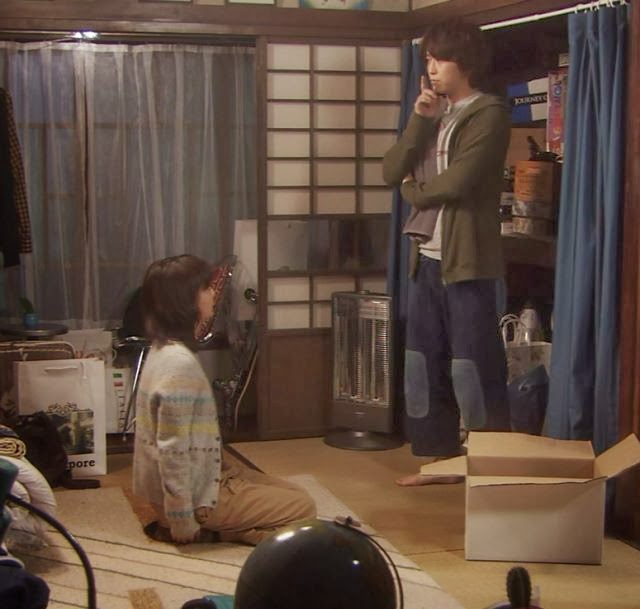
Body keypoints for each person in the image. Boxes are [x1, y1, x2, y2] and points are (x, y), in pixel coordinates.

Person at [383, 19, 511, 486]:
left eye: (440, 60)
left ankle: (488, 461)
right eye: (428, 61)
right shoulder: (436, 112)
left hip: (467, 262)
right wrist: (420, 118)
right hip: (427, 258)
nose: (432, 69)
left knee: (472, 365)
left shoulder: (489, 114)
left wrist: (412, 192)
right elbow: (390, 169)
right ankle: (439, 458)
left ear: (466, 62)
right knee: (423, 361)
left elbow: (456, 183)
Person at [132, 254, 316, 544]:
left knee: (295, 493)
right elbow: (172, 452)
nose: (213, 294)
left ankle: (227, 526)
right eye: (206, 288)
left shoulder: (161, 348)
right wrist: (182, 522)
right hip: (196, 501)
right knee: (304, 507)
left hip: (205, 478)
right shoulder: (179, 364)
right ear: (186, 301)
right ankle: (218, 530)